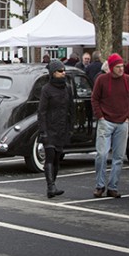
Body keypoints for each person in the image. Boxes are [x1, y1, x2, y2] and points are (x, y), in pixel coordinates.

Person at [91, 53, 129, 198]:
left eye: (122, 66)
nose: (121, 69)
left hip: (122, 122)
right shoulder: (102, 80)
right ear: (111, 68)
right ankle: (100, 185)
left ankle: (113, 186)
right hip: (106, 121)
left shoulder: (128, 80)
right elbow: (95, 99)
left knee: (118, 157)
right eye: (117, 67)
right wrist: (101, 117)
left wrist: (128, 118)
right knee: (102, 154)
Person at [38, 60, 73, 198]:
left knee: (57, 158)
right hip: (49, 127)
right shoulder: (46, 89)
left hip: (61, 127)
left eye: (64, 70)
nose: (63, 73)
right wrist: (43, 131)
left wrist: (70, 128)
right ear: (53, 73)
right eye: (60, 71)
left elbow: (71, 109)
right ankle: (50, 186)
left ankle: (53, 183)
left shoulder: (67, 88)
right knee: (50, 156)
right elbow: (42, 112)